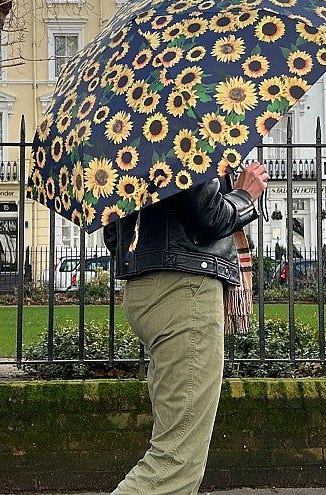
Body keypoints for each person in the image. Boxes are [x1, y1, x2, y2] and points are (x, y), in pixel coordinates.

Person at [104, 161, 268, 495]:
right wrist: (244, 194)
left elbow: (113, 234)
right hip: (185, 291)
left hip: (145, 289)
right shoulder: (185, 132)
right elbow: (208, 217)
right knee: (176, 463)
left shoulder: (124, 143)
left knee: (173, 444)